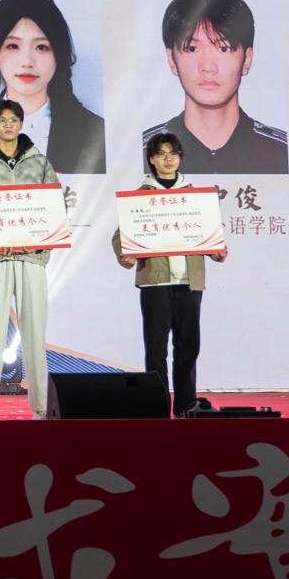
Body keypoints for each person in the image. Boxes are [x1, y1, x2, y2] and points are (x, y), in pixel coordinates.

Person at [0, 98, 62, 419]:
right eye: (1, 120)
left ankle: (42, 407)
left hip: (32, 258)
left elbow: (54, 208)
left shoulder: (40, 163)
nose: (7, 125)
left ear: (21, 124)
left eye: (13, 120)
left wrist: (41, 247)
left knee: (35, 334)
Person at [113, 132, 226, 416]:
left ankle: (186, 404)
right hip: (155, 281)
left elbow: (211, 230)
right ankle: (158, 405)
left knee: (188, 346)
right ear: (152, 159)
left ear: (180, 158)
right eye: (162, 154)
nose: (168, 159)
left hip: (190, 281)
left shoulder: (195, 196)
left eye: (173, 154)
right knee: (156, 348)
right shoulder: (141, 197)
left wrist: (218, 249)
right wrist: (126, 255)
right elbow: (120, 236)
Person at [0, 0, 105, 175]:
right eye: (13, 46)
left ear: (58, 55)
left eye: (41, 47)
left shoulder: (94, 133)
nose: (27, 61)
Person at [143, 0, 288, 175]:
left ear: (247, 60)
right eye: (192, 48)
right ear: (172, 60)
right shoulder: (144, 152)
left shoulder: (280, 151)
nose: (208, 67)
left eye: (223, 48)